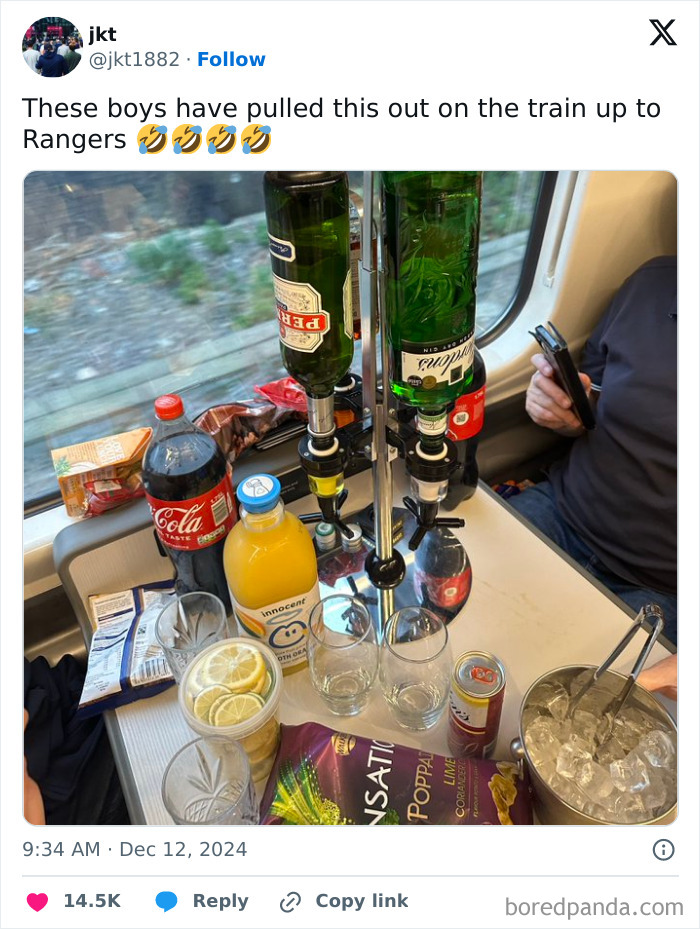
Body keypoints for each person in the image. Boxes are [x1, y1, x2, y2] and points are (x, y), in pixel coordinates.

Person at [509, 256, 677, 643]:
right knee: (442, 586)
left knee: (577, 694)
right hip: (563, 511)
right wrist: (558, 409)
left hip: (664, 585)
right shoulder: (652, 283)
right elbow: (593, 402)